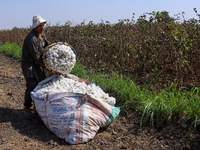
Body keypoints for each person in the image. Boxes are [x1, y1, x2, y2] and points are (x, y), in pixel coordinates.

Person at [21, 15, 48, 119]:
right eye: (40, 25)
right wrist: (47, 67)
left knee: (42, 83)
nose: (42, 27)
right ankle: (27, 108)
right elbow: (36, 58)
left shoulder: (42, 34)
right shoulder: (31, 38)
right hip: (29, 64)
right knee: (32, 84)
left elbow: (46, 48)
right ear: (35, 26)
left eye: (43, 25)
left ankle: (37, 107)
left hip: (38, 62)